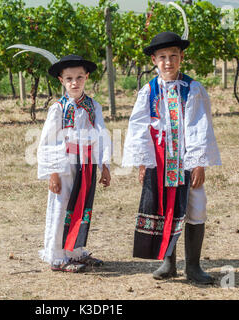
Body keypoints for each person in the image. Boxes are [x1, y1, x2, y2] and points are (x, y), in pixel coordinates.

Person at [122, 32, 221, 284]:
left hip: (186, 162)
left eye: (173, 56)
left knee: (195, 206)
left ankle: (194, 266)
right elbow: (139, 126)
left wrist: (199, 162)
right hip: (160, 161)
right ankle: (168, 262)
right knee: (163, 207)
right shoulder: (149, 91)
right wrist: (144, 161)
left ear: (181, 57)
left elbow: (200, 126)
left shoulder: (192, 89)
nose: (168, 62)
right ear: (154, 60)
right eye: (163, 57)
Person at [38, 55, 112, 273]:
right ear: (61, 80)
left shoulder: (93, 106)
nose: (75, 82)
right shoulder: (58, 109)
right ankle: (57, 256)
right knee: (62, 208)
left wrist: (104, 165)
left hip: (87, 165)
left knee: (82, 207)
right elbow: (48, 141)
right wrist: (53, 172)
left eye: (79, 77)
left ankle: (75, 250)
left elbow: (101, 135)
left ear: (86, 77)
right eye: (69, 78)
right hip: (65, 167)